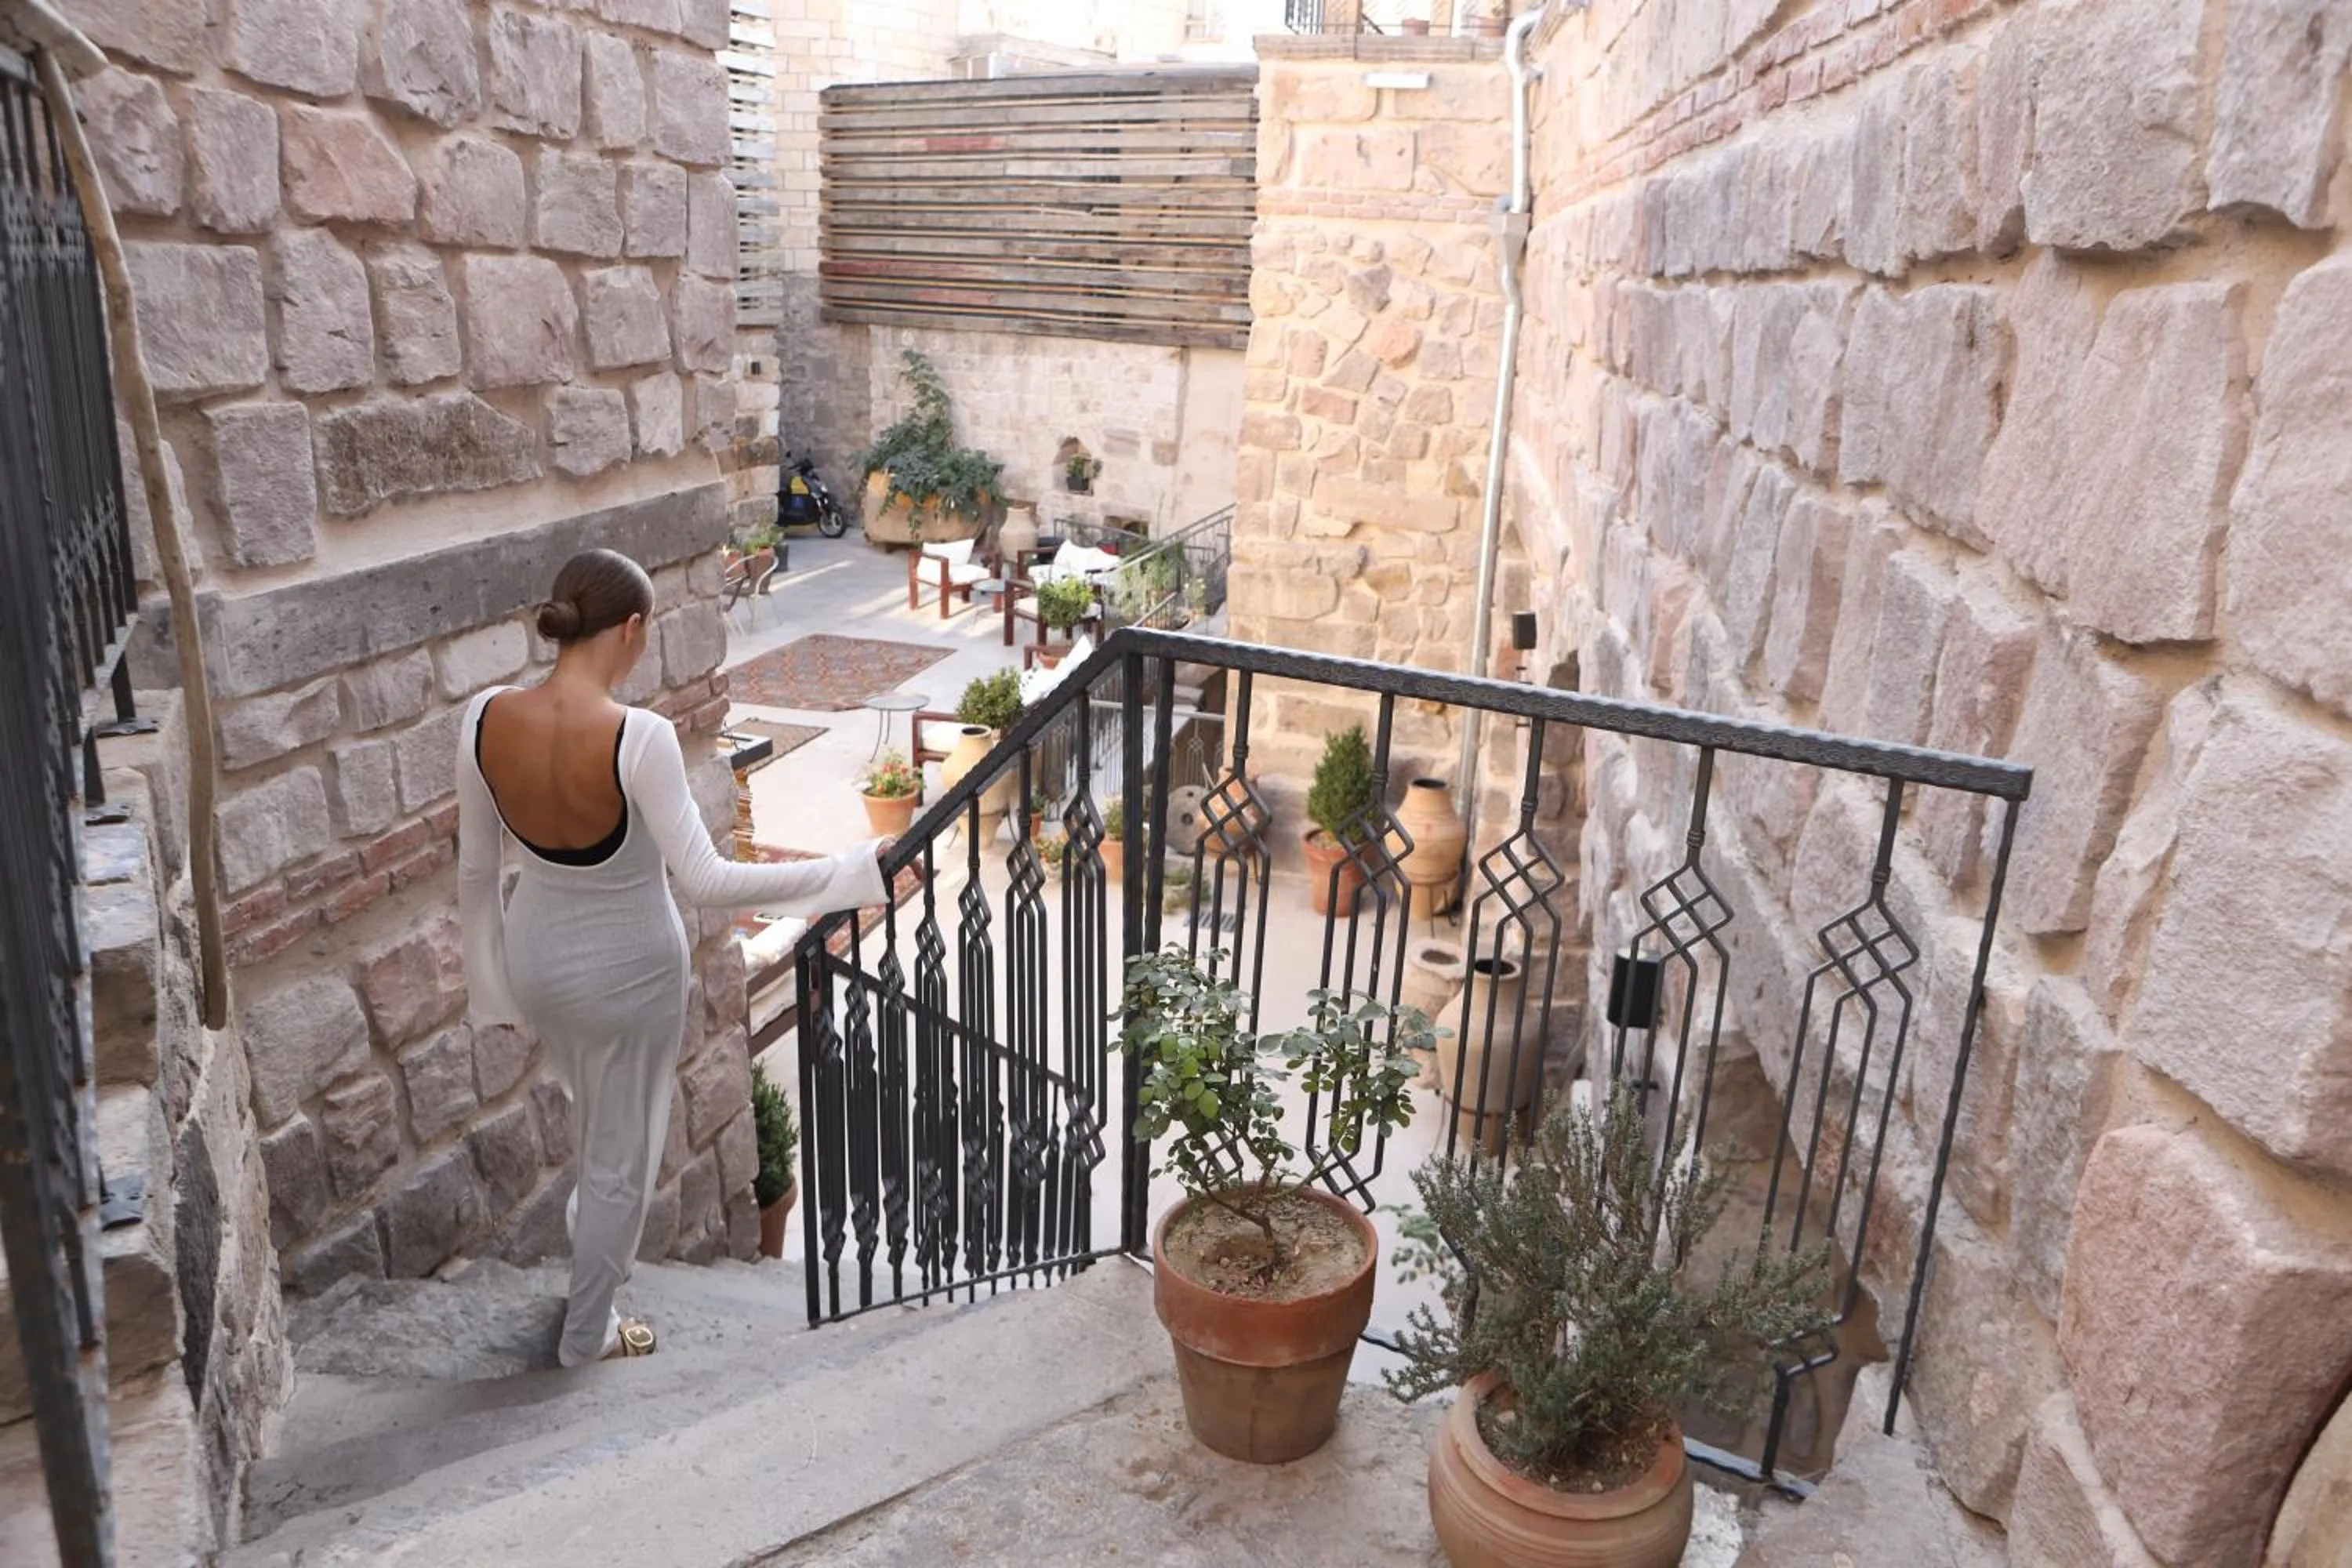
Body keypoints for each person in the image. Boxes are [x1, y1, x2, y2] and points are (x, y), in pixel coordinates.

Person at [456, 549, 888, 1366]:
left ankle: (591, 1284)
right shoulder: (640, 737)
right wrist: (847, 872)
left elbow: (477, 871)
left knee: (595, 1121)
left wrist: (494, 993)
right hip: (630, 977)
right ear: (629, 628)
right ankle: (588, 1335)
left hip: (537, 960)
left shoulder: (482, 715)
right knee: (621, 1154)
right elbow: (709, 879)